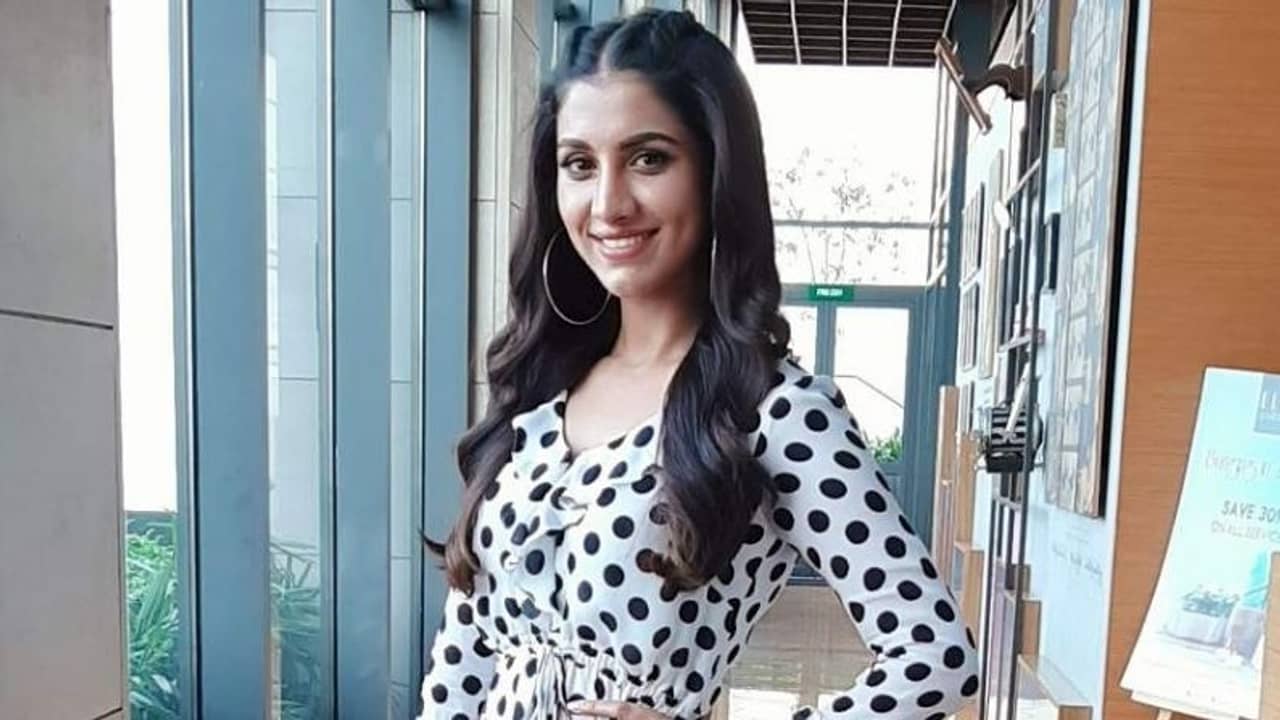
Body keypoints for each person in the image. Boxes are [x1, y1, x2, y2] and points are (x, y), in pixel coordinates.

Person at [419, 10, 978, 719]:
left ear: (715, 171)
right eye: (579, 165)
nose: (608, 204)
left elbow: (935, 657)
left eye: (648, 159)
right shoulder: (536, 397)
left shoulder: (773, 413)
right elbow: (461, 664)